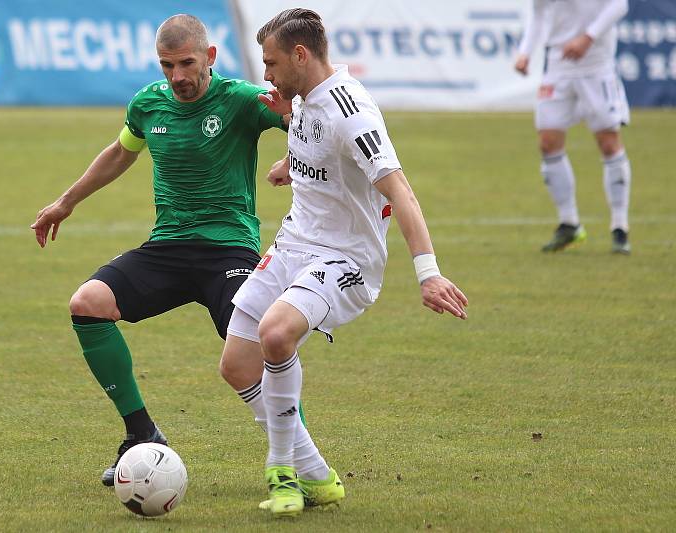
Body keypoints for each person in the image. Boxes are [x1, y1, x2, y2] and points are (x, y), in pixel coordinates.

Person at [31, 14, 331, 488]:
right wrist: (65, 202)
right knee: (87, 304)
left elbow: (311, 120)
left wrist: (294, 159)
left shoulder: (240, 99)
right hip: (167, 248)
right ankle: (140, 432)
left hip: (227, 251)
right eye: (167, 66)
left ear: (209, 57)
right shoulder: (148, 105)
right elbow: (120, 151)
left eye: (187, 64)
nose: (178, 77)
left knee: (258, 350)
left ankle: (300, 461)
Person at [219, 8, 469, 517]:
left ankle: (282, 472)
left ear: (300, 54)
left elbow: (399, 191)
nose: (265, 73)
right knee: (236, 364)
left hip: (344, 257)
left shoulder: (352, 112)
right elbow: (311, 136)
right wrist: (291, 164)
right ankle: (318, 476)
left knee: (276, 333)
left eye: (270, 62)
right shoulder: (303, 98)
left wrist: (428, 273)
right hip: (294, 244)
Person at [514, 0, 632, 254]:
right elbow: (539, 14)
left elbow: (619, 5)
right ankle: (570, 224)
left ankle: (620, 227)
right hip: (558, 65)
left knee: (608, 143)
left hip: (596, 66)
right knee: (547, 142)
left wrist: (587, 38)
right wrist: (525, 52)